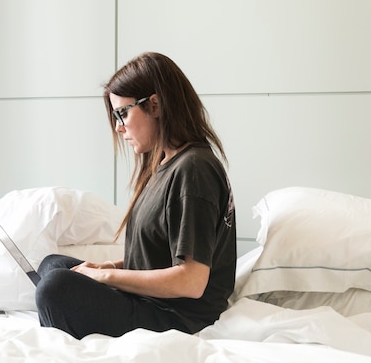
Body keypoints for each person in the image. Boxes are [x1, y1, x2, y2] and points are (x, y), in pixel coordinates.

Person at [35, 52, 237, 339]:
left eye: (122, 113)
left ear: (154, 105)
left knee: (55, 287)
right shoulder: (166, 164)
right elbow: (161, 255)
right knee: (53, 265)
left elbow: (191, 281)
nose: (119, 127)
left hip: (174, 315)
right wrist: (110, 266)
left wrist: (105, 276)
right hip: (151, 300)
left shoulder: (194, 169)